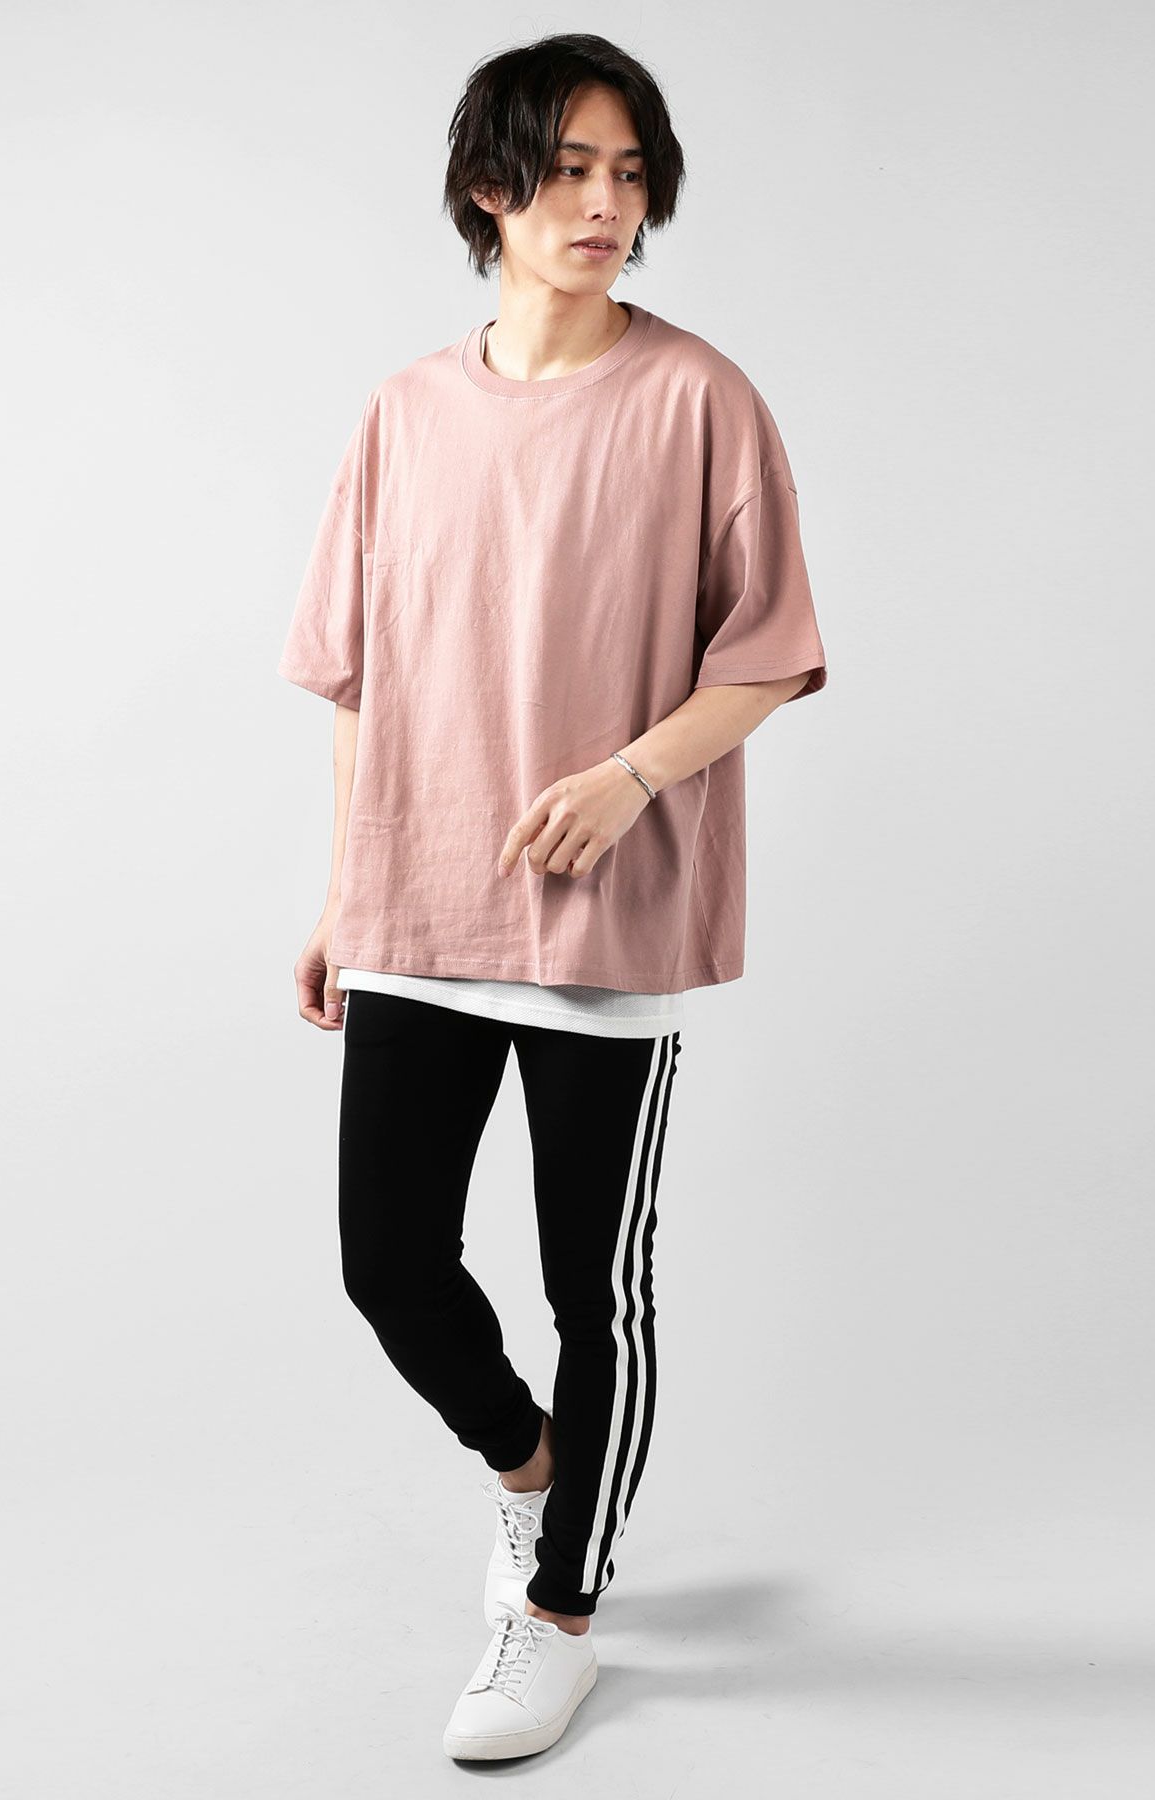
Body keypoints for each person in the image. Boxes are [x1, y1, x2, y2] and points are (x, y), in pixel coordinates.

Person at [277, 32, 828, 1763]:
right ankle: (532, 1470)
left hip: (608, 915)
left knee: (599, 1287)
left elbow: (771, 653)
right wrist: (342, 891)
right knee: (390, 1261)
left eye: (630, 172)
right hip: (422, 903)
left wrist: (633, 776)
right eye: (571, 168)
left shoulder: (702, 400)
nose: (605, 203)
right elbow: (361, 680)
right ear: (488, 188)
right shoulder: (403, 413)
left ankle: (562, 1612)